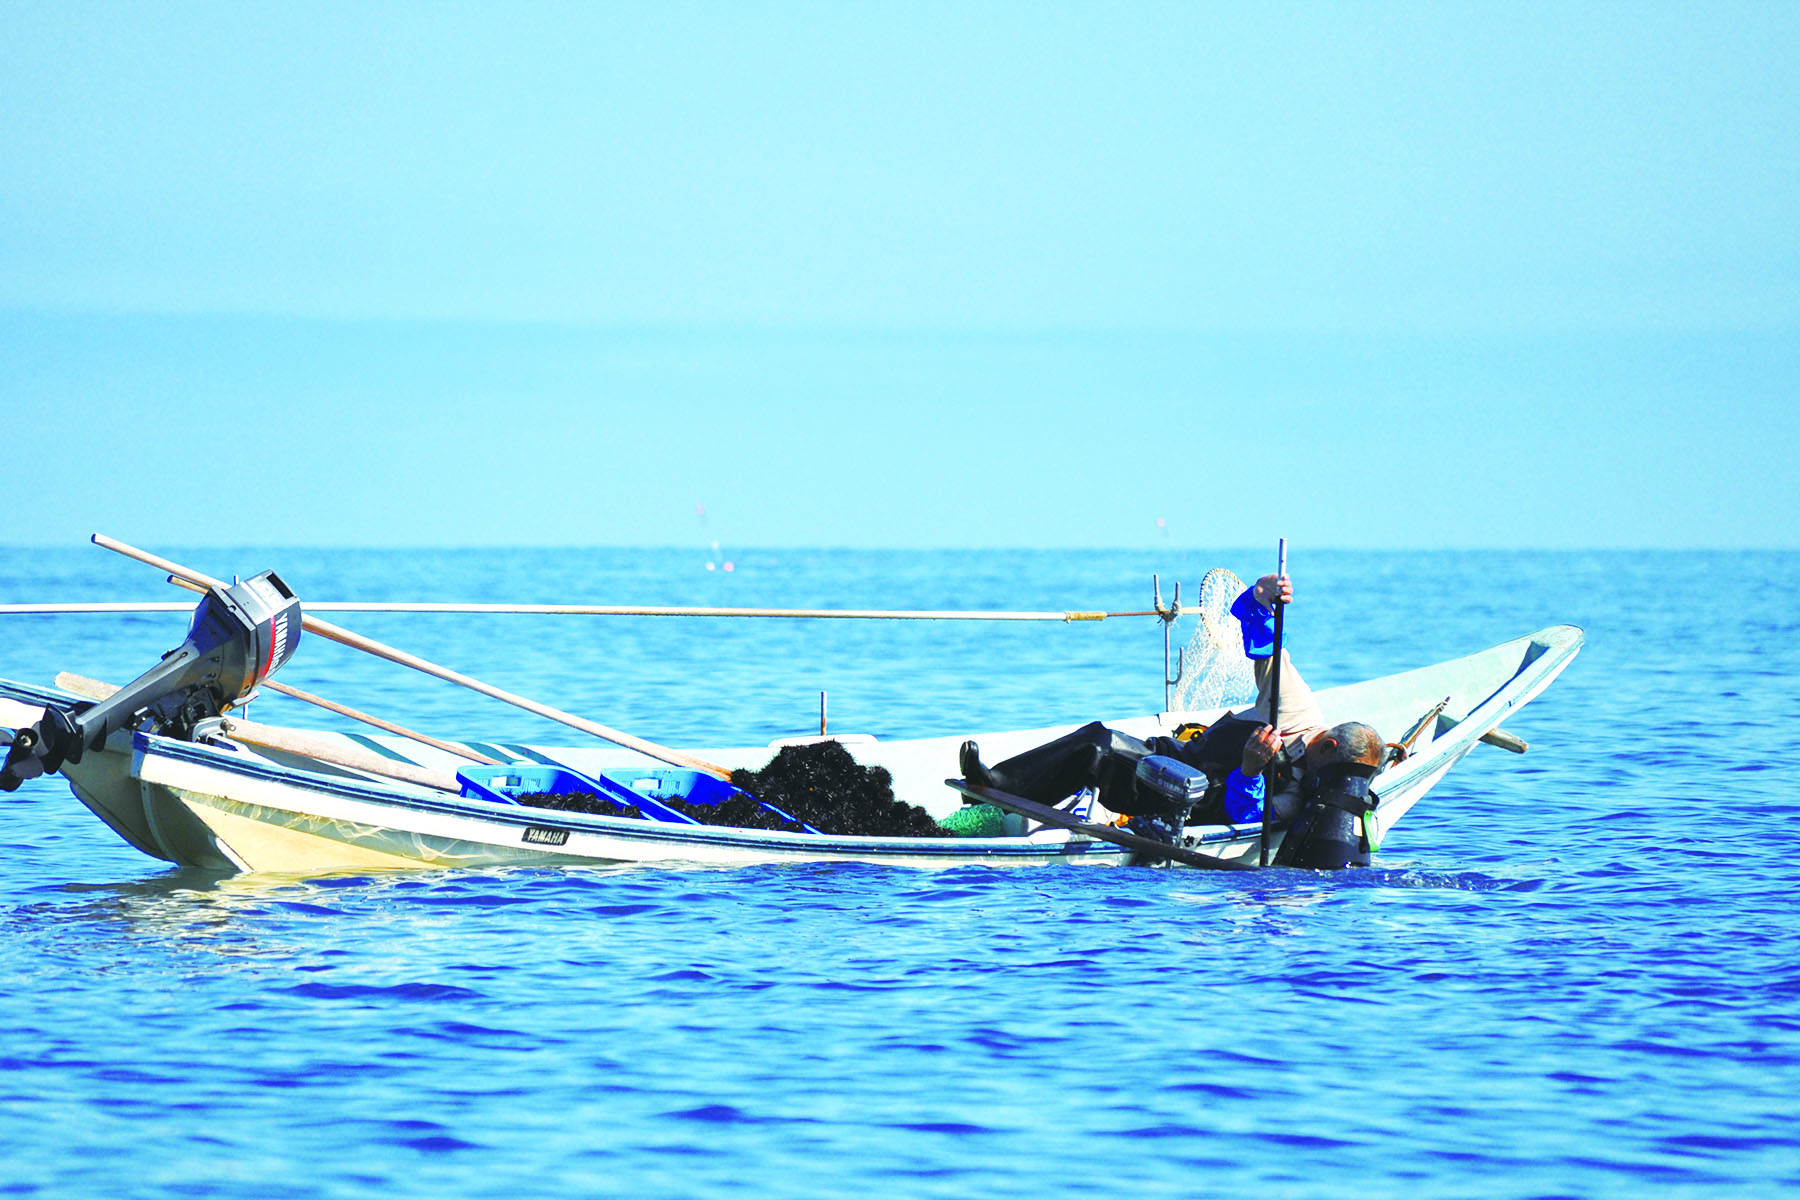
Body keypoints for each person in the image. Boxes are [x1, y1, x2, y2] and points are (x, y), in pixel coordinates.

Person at [958, 572, 1386, 865]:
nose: (1322, 783)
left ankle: (994, 786)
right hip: (1167, 756)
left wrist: (1252, 771)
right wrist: (1262, 594)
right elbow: (1262, 639)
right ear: (1327, 743)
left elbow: (1246, 818)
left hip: (1178, 799)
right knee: (1099, 738)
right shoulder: (1297, 707)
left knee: (1098, 746)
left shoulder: (1306, 793)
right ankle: (1001, 786)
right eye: (1326, 771)